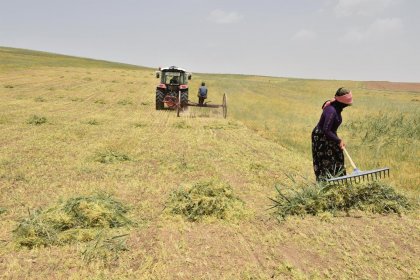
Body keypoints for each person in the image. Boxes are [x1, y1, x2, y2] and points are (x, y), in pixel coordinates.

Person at [312, 87, 353, 181]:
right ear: (342, 103)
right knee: (326, 161)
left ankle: (339, 181)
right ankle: (326, 183)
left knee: (338, 155)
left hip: (329, 134)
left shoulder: (336, 107)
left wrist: (337, 140)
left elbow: (330, 130)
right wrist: (338, 140)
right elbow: (326, 130)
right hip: (321, 137)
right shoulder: (331, 111)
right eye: (347, 104)